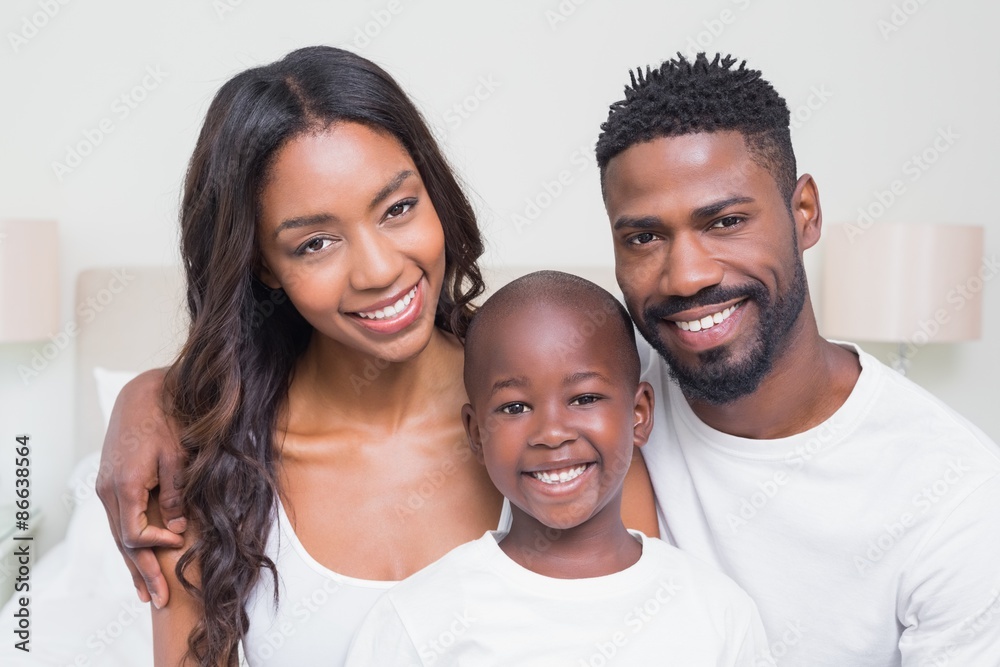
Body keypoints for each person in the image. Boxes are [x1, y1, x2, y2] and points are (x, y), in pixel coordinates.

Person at [113, 47, 657, 666]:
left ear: (435, 193)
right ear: (262, 262)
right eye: (316, 243)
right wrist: (149, 395)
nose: (379, 271)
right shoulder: (198, 463)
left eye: (398, 209)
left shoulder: (569, 413)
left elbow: (656, 632)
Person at [595, 53, 1000, 666]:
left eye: (726, 221)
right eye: (644, 238)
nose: (686, 277)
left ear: (803, 212)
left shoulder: (956, 498)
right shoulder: (591, 429)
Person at [345, 270, 771, 666]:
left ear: (638, 414)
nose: (551, 433)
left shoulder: (717, 613)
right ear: (476, 434)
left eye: (584, 398)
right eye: (514, 407)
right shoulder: (418, 619)